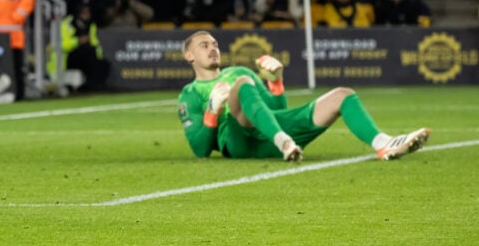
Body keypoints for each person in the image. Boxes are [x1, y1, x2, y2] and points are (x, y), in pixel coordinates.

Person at [177, 31, 430, 162]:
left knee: (343, 95)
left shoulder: (239, 71)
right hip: (239, 142)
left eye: (215, 44)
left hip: (271, 135)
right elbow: (200, 151)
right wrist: (212, 112)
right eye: (204, 46)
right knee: (242, 85)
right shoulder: (189, 94)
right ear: (189, 56)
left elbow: (275, 109)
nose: (213, 49)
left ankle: (384, 144)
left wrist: (276, 82)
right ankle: (285, 143)